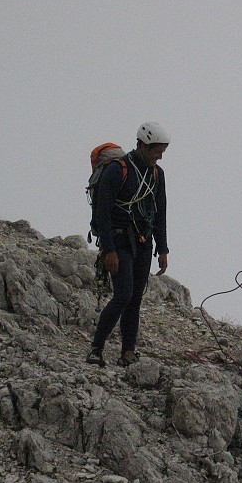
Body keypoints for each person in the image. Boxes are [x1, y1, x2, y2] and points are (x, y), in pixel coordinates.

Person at [86, 121, 170, 367]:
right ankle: (96, 348)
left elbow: (160, 212)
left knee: (135, 298)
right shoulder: (117, 170)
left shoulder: (157, 174)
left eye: (163, 151)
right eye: (157, 151)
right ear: (143, 145)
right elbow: (103, 213)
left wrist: (162, 249)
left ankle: (128, 352)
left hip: (143, 243)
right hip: (119, 240)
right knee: (123, 296)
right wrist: (109, 250)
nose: (160, 156)